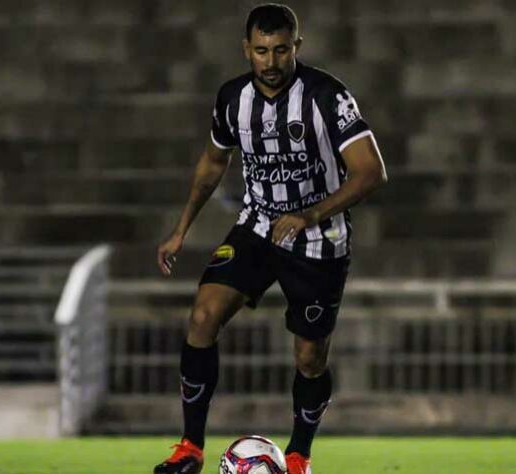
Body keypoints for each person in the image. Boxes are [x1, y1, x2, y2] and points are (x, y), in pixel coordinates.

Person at [153, 4, 387, 474]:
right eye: (261, 51)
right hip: (257, 227)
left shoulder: (327, 96)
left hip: (318, 240)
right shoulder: (231, 99)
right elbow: (212, 165)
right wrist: (182, 229)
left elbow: (371, 172)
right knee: (202, 315)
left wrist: (310, 213)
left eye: (281, 50)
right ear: (247, 50)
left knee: (310, 357)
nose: (272, 61)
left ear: (295, 47)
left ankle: (298, 455)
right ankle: (190, 448)